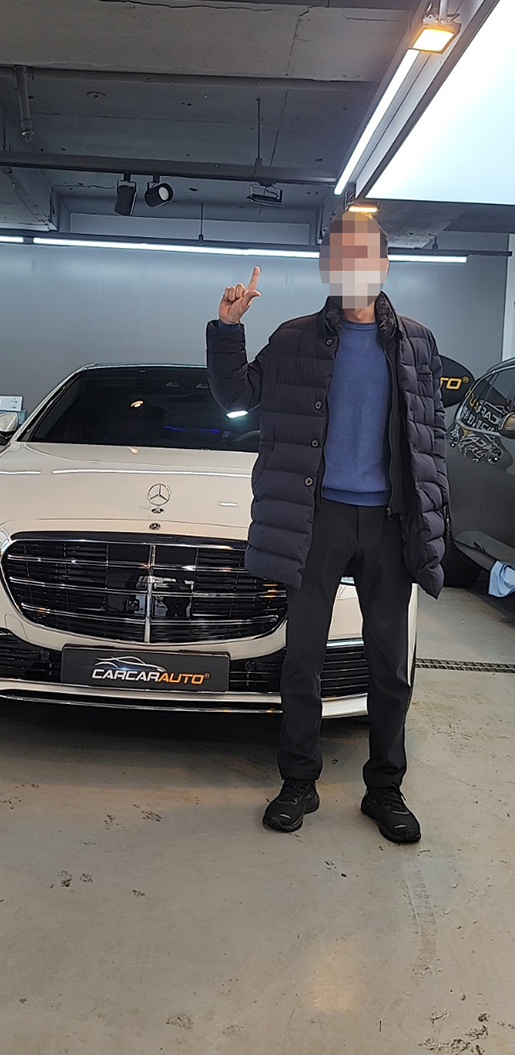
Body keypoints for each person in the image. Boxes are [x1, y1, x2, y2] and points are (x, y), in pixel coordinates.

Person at [206, 212, 448, 844]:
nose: (353, 266)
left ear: (384, 265)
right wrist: (228, 330)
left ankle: (385, 789)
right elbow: (237, 398)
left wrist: (432, 514)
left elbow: (429, 438)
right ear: (328, 266)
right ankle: (299, 782)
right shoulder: (293, 339)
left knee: (389, 664)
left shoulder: (417, 343)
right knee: (303, 659)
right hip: (318, 518)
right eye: (341, 255)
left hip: (389, 521)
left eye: (364, 255)